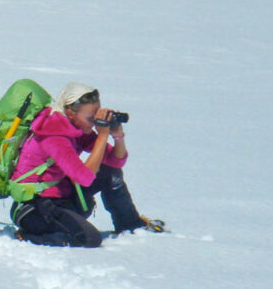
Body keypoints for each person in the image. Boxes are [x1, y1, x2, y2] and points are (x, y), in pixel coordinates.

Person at [10, 82, 162, 247]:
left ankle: (130, 225)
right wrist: (102, 136)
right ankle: (29, 235)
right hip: (35, 208)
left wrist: (118, 136)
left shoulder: (76, 128)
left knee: (111, 173)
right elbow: (84, 178)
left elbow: (116, 161)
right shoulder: (52, 134)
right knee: (89, 239)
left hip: (62, 197)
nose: (94, 122)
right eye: (91, 118)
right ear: (70, 113)